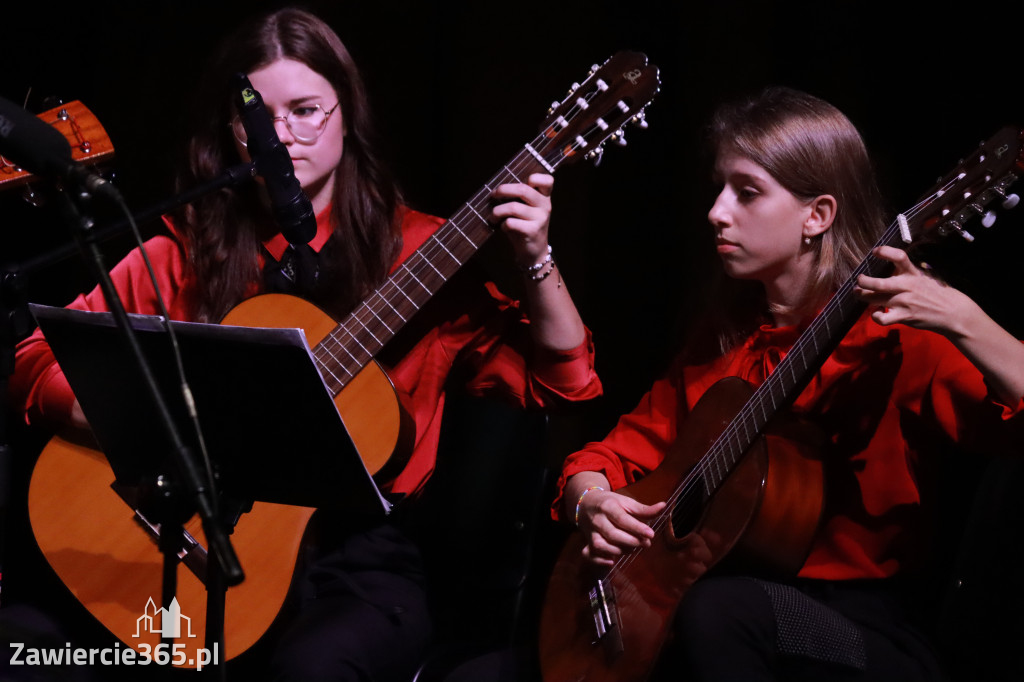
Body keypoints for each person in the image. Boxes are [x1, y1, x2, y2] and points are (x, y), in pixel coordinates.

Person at [10, 7, 601, 681]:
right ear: (232, 133)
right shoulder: (187, 248)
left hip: (356, 563)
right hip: (181, 533)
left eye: (307, 109)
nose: (282, 134)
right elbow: (35, 358)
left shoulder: (423, 254)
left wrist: (533, 258)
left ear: (348, 114)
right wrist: (145, 424)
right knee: (27, 651)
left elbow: (565, 379)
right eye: (257, 116)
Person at [553, 86, 1024, 681]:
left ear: (817, 215)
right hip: (723, 605)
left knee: (719, 612)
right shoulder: (726, 340)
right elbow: (607, 457)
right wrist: (592, 502)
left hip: (864, 631)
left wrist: (963, 318)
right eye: (719, 188)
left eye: (747, 193)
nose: (716, 212)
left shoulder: (899, 335)